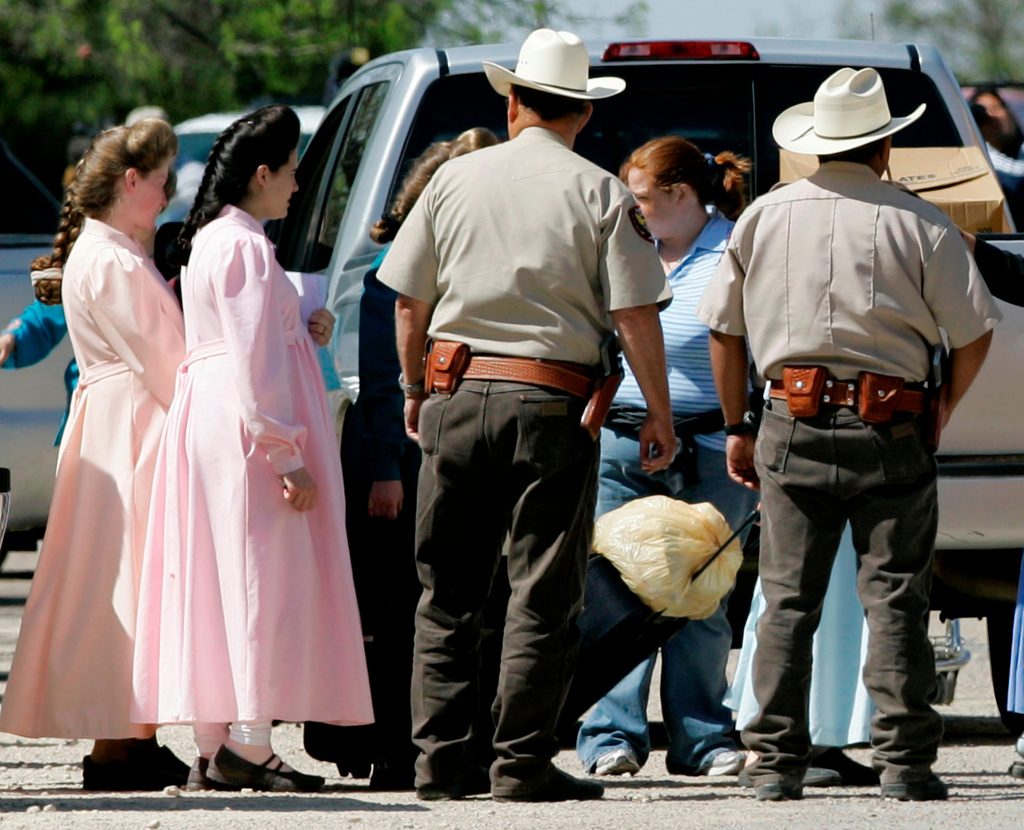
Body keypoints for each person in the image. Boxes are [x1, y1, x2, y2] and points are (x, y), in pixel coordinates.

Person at [377, 28, 675, 803]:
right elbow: (636, 313)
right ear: (580, 113)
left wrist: (414, 391)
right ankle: (519, 763)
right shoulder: (601, 190)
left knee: (446, 589)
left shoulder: (452, 181)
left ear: (512, 102)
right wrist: (659, 415)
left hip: (456, 392)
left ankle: (440, 764)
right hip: (553, 403)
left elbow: (408, 303)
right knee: (542, 590)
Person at [697, 67, 1000, 802]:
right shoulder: (919, 221)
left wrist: (738, 423)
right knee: (894, 596)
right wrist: (943, 408)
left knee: (786, 599)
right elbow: (975, 332)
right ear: (885, 145)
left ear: (816, 144)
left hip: (788, 421)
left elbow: (723, 331)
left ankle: (774, 763)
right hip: (891, 422)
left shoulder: (763, 217)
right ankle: (905, 765)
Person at [131, 105, 373, 793]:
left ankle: (215, 745)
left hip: (212, 422)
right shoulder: (242, 244)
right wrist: (286, 452)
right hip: (243, 433)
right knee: (256, 582)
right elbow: (253, 362)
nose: (299, 185)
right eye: (292, 171)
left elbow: (242, 331)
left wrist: (298, 316)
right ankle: (250, 741)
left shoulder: (215, 237)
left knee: (217, 579)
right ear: (261, 174)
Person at [0, 118, 189, 791]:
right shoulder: (109, 258)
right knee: (126, 583)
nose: (168, 195)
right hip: (129, 426)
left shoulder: (105, 250)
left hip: (115, 422)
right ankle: (119, 742)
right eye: (162, 181)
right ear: (131, 181)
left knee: (121, 582)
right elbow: (160, 359)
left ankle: (125, 739)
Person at [312, 127, 498, 791]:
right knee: (400, 615)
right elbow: (384, 379)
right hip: (401, 460)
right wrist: (387, 469)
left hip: (446, 452)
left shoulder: (468, 259)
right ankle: (394, 749)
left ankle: (449, 745)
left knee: (454, 604)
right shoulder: (396, 270)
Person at [575, 136, 757, 780]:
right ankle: (608, 734)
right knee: (617, 589)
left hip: (713, 444)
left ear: (683, 196)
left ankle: (703, 738)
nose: (635, 209)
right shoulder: (626, 243)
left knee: (704, 597)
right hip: (624, 441)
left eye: (644, 198)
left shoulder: (737, 247)